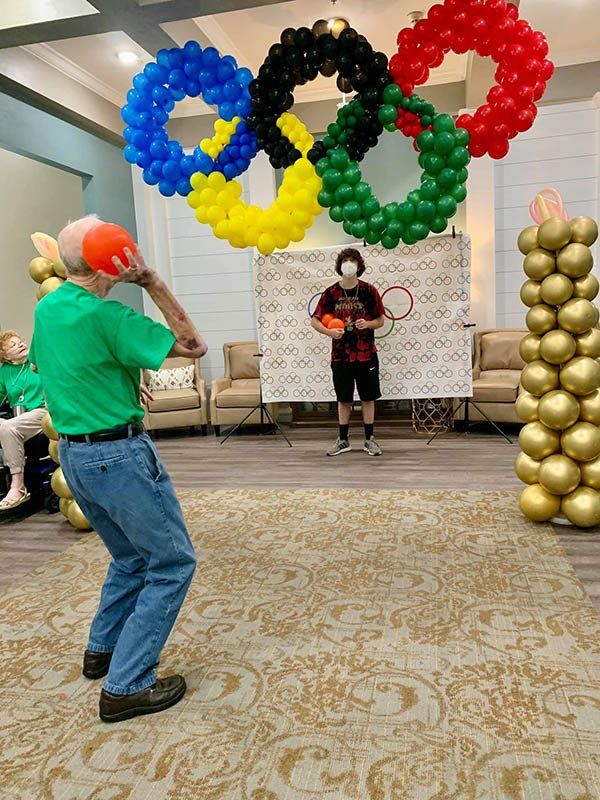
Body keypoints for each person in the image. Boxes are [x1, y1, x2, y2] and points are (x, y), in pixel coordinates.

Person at [30, 215, 207, 723]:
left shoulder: (52, 307)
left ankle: (101, 651)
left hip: (76, 458)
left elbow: (52, 367)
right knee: (172, 564)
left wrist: (120, 381)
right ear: (115, 258)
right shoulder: (111, 319)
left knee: (129, 560)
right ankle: (126, 684)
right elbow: (193, 347)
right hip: (119, 458)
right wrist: (150, 280)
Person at [311, 248, 385, 457]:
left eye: (353, 260)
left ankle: (369, 440)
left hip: (366, 353)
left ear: (359, 265)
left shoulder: (369, 291)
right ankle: (343, 440)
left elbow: (380, 320)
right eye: (345, 260)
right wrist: (328, 332)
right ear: (340, 265)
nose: (349, 263)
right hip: (341, 355)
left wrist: (368, 323)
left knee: (368, 397)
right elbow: (314, 319)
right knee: (343, 398)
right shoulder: (331, 293)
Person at [0, 331, 47, 510]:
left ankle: (18, 486)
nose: (20, 345)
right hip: (19, 419)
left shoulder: (37, 362)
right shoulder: (4, 372)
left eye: (21, 342)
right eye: (13, 345)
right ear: (6, 357)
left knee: (8, 428)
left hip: (42, 412)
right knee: (7, 426)